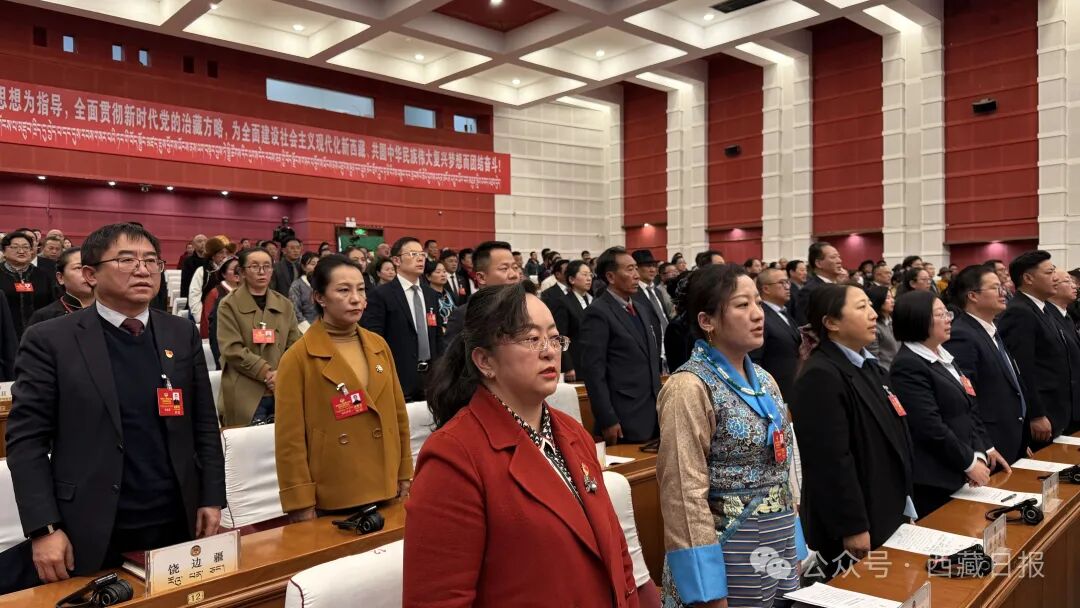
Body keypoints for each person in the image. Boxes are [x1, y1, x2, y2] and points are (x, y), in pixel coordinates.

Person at [7, 223, 225, 581]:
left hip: (176, 516)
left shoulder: (179, 332)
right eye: (127, 260)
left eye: (151, 260)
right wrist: (44, 528)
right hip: (91, 522)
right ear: (91, 274)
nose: (143, 270)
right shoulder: (50, 339)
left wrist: (212, 497)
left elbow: (204, 423)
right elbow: (26, 441)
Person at [403, 284, 638, 607]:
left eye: (554, 338)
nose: (549, 351)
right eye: (531, 339)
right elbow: (437, 600)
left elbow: (617, 553)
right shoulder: (454, 456)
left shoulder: (573, 432)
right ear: (485, 360)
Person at [657, 264, 805, 607]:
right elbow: (683, 494)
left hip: (777, 541)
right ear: (707, 321)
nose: (758, 314)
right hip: (728, 551)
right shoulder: (688, 387)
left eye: (758, 303)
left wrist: (794, 545)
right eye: (742, 305)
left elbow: (782, 470)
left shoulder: (765, 380)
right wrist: (707, 590)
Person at [275, 255, 412, 522]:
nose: (356, 299)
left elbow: (398, 417)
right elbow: (289, 441)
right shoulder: (298, 358)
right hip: (335, 492)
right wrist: (300, 502)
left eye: (361, 289)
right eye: (343, 290)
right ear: (319, 297)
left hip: (387, 484)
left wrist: (405, 471)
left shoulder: (379, 346)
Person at [791, 284, 915, 578]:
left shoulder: (870, 367)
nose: (873, 314)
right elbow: (831, 461)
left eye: (871, 306)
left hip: (886, 507)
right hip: (853, 523)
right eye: (861, 307)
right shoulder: (821, 375)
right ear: (831, 322)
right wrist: (852, 526)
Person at [888, 291, 1007, 517]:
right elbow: (928, 425)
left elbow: (970, 408)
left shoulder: (944, 355)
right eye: (940, 314)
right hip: (936, 478)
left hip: (962, 469)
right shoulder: (908, 365)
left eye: (948, 313)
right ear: (917, 319)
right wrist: (969, 462)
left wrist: (979, 454)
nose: (948, 319)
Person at [944, 265, 1028, 463]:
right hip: (991, 444)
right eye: (995, 288)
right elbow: (966, 399)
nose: (1003, 292)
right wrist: (985, 445)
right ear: (973, 296)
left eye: (1002, 287)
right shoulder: (962, 335)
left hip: (1013, 436)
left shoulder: (990, 329)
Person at [580, 247, 661, 443]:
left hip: (654, 414)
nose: (636, 275)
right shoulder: (598, 312)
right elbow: (594, 372)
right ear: (611, 276)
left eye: (636, 269)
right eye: (630, 269)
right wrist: (607, 419)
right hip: (623, 418)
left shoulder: (641, 308)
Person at [216, 247, 302, 425]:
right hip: (245, 387)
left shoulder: (284, 304)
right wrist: (267, 373)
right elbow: (232, 349)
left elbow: (295, 346)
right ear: (242, 272)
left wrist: (282, 374)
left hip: (281, 385)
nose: (262, 271)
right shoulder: (229, 305)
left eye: (267, 266)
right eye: (255, 266)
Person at [998, 250, 1075, 443]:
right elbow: (1022, 368)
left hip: (1059, 409)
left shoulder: (1042, 308)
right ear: (1028, 278)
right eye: (1049, 273)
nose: (1055, 278)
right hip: (1042, 415)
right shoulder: (1020, 312)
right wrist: (1036, 414)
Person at [361, 236, 445, 402]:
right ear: (396, 260)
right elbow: (374, 340)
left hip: (430, 378)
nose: (420, 258)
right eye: (413, 254)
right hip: (398, 377)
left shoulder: (430, 294)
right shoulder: (381, 295)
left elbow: (437, 335)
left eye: (422, 254)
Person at [445, 241, 521, 344]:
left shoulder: (529, 309)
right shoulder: (464, 317)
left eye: (515, 268)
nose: (514, 275)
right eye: (504, 268)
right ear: (481, 278)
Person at [750, 267, 801, 399]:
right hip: (774, 391)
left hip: (792, 387)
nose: (787, 287)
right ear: (766, 289)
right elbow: (754, 360)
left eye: (788, 282)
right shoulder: (761, 316)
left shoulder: (783, 312)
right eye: (782, 283)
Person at [0, 231, 54, 338]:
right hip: (4, 333)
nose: (21, 251)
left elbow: (52, 303)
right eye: (15, 247)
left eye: (26, 247)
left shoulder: (43, 275)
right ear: (4, 251)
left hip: (39, 333)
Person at [1047, 269, 1080, 434]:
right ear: (1053, 286)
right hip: (1056, 408)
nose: (1075, 286)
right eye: (1068, 281)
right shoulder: (1047, 316)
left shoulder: (1066, 315)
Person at [27, 248, 94, 327]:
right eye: (79, 268)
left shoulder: (107, 310)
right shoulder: (44, 317)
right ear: (60, 278)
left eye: (94, 267)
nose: (88, 273)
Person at [552, 260, 593, 383]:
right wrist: (568, 366)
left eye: (590, 275)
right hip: (576, 363)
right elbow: (560, 336)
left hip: (594, 361)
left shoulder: (593, 300)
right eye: (584, 275)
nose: (589, 278)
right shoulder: (563, 302)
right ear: (571, 279)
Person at [793, 241, 845, 325]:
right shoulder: (810, 291)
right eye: (833, 257)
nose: (839, 261)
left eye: (838, 257)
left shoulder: (840, 286)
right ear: (819, 263)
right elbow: (804, 324)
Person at [205, 257, 242, 369]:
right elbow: (208, 323)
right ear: (224, 274)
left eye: (239, 269)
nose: (237, 272)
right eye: (234, 269)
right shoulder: (215, 293)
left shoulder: (246, 293)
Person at [189, 235, 230, 326]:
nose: (224, 256)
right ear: (213, 255)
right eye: (221, 252)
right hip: (206, 317)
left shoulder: (232, 272)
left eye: (227, 253)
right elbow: (194, 297)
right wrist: (201, 320)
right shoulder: (202, 271)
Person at [865, 286, 899, 370]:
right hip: (886, 370)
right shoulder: (874, 327)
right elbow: (873, 356)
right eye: (888, 298)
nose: (892, 301)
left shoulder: (893, 321)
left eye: (892, 297)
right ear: (878, 300)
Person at [289, 252, 320, 332]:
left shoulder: (325, 284)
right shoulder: (297, 285)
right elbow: (294, 309)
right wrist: (308, 328)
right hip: (304, 329)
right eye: (313, 264)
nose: (316, 266)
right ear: (303, 267)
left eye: (318, 264)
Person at [425, 260, 456, 329]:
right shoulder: (426, 297)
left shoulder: (450, 295)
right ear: (428, 276)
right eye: (438, 272)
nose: (443, 275)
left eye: (444, 271)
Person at [179, 233, 207, 298]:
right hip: (193, 294)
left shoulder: (211, 260)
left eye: (205, 241)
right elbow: (185, 282)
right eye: (200, 241)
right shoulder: (188, 261)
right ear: (193, 245)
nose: (203, 243)